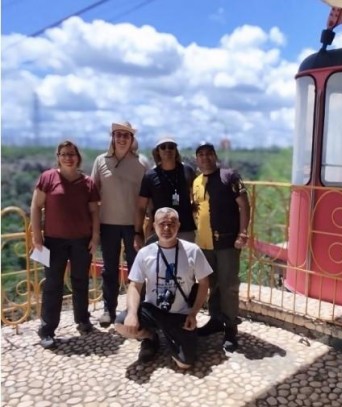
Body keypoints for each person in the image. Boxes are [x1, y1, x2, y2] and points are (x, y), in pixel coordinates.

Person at [115, 207, 212, 368]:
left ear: (179, 226)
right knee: (121, 325)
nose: (167, 228)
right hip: (153, 310)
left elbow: (204, 283)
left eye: (171, 224)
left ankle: (175, 338)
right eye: (162, 224)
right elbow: (135, 285)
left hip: (180, 314)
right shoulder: (145, 253)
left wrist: (194, 313)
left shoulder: (192, 251)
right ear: (154, 225)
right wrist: (132, 313)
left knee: (185, 364)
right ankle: (150, 337)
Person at [31, 140, 100, 349]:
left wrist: (95, 237)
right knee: (53, 285)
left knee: (80, 281)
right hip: (53, 241)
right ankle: (47, 329)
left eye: (72, 154)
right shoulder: (47, 178)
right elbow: (35, 207)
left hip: (81, 240)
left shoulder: (88, 182)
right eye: (64, 154)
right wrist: (37, 238)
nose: (68, 157)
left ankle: (83, 320)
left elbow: (94, 212)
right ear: (58, 157)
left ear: (78, 157)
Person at [192, 142, 250, 352]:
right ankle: (216, 320)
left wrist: (243, 233)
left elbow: (244, 204)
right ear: (196, 159)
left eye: (209, 154)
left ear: (215, 156)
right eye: (200, 155)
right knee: (212, 285)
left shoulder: (229, 176)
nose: (205, 158)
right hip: (205, 245)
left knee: (228, 286)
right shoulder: (196, 182)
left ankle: (231, 329)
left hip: (227, 242)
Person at [91, 121, 146, 327]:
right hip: (108, 224)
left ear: (132, 139)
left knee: (136, 270)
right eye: (118, 134)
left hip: (134, 226)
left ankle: (136, 310)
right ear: (112, 137)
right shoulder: (100, 161)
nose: (122, 138)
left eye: (126, 135)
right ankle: (109, 309)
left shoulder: (141, 163)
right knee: (109, 269)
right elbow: (93, 193)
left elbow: (146, 197)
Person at [134, 137, 196, 248]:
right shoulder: (150, 176)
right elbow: (141, 207)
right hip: (160, 231)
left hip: (186, 230)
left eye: (171, 146)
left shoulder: (188, 171)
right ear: (157, 151)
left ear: (176, 150)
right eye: (163, 147)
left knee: (186, 265)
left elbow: (197, 196)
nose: (168, 150)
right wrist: (138, 233)